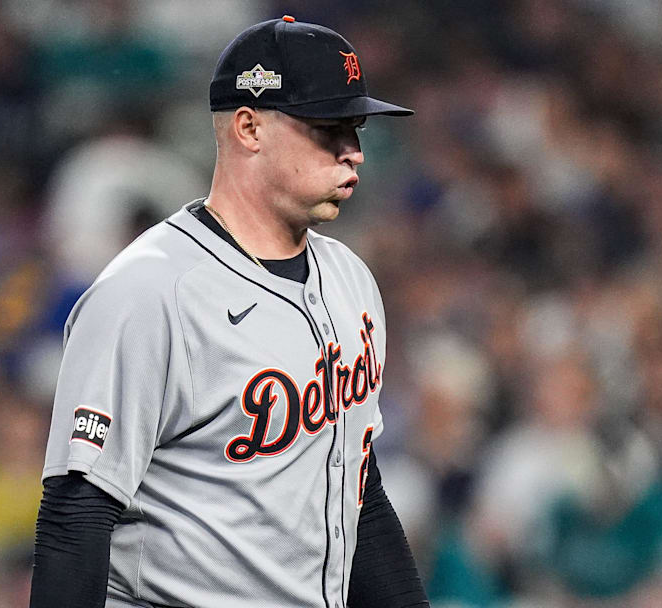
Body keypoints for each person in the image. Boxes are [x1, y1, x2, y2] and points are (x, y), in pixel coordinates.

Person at [29, 16, 428, 608]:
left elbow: (357, 492)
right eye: (330, 128)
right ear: (249, 127)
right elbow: (75, 516)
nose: (355, 153)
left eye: (357, 128)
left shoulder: (351, 280)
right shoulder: (148, 291)